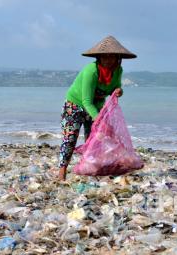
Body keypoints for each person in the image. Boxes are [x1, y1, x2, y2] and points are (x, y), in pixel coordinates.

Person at [58, 35, 137, 181]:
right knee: (70, 139)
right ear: (98, 58)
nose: (108, 60)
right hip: (74, 105)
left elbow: (115, 88)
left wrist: (119, 91)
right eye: (104, 57)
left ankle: (90, 170)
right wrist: (100, 120)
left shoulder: (117, 71)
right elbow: (86, 101)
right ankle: (62, 172)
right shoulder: (91, 71)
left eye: (111, 57)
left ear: (117, 58)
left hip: (96, 106)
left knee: (94, 139)